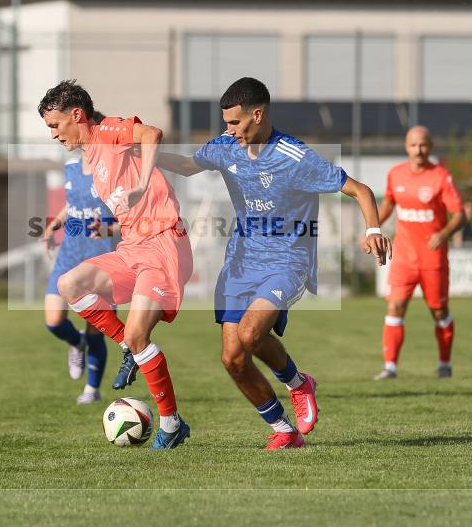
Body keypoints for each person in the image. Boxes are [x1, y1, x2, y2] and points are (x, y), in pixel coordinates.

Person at [156, 77, 391, 450]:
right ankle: (284, 430)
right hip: (241, 261)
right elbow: (186, 165)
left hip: (287, 261)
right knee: (232, 359)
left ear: (258, 114)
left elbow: (360, 190)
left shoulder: (294, 157)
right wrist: (142, 156)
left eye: (235, 123)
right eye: (226, 123)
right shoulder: (226, 148)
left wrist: (373, 228)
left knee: (251, 335)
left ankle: (299, 384)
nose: (228, 131)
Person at [38, 80, 194, 450]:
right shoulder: (90, 156)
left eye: (55, 125)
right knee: (69, 285)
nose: (53, 134)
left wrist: (141, 186)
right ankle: (128, 346)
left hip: (162, 243)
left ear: (77, 115)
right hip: (132, 247)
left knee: (141, 337)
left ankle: (171, 424)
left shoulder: (108, 131)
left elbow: (152, 133)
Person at [373, 125, 467, 380]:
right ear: (406, 147)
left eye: (423, 144)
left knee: (439, 311)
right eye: (413, 145)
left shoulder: (440, 177)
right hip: (403, 256)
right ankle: (390, 367)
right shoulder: (395, 174)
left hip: (432, 258)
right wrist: (372, 229)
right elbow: (388, 204)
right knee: (395, 306)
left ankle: (445, 362)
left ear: (431, 147)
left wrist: (444, 233)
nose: (418, 150)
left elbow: (460, 214)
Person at [41, 151, 118, 404]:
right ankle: (76, 343)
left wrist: (109, 229)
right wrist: (55, 224)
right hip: (69, 256)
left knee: (97, 329)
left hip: (102, 261)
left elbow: (133, 215)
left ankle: (91, 391)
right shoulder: (71, 166)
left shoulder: (113, 169)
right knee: (53, 321)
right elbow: (73, 204)